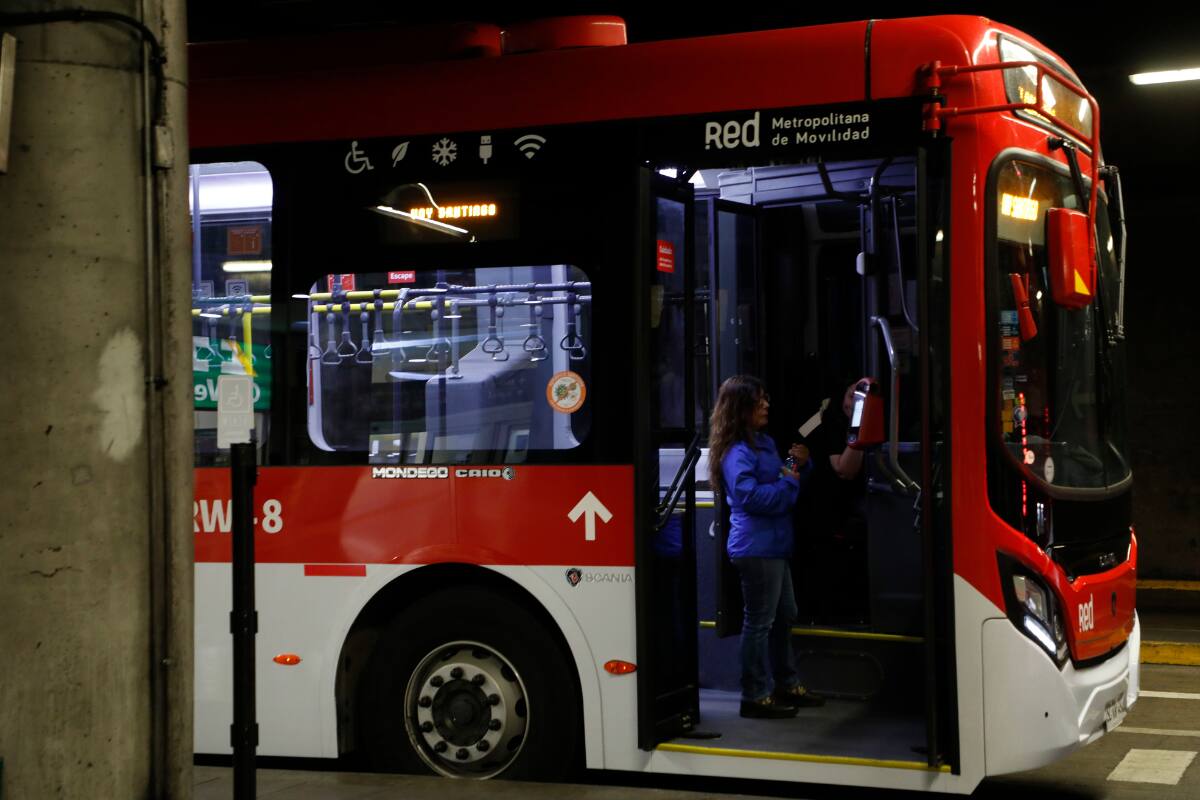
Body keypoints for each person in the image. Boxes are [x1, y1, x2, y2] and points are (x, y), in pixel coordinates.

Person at [708, 375, 824, 719]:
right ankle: (754, 694)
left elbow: (778, 476)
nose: (766, 405)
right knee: (759, 621)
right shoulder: (736, 453)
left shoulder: (764, 443)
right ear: (741, 409)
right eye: (759, 401)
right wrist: (790, 484)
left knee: (784, 615)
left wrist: (797, 463)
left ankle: (785, 682)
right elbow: (750, 496)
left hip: (773, 544)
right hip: (756, 547)